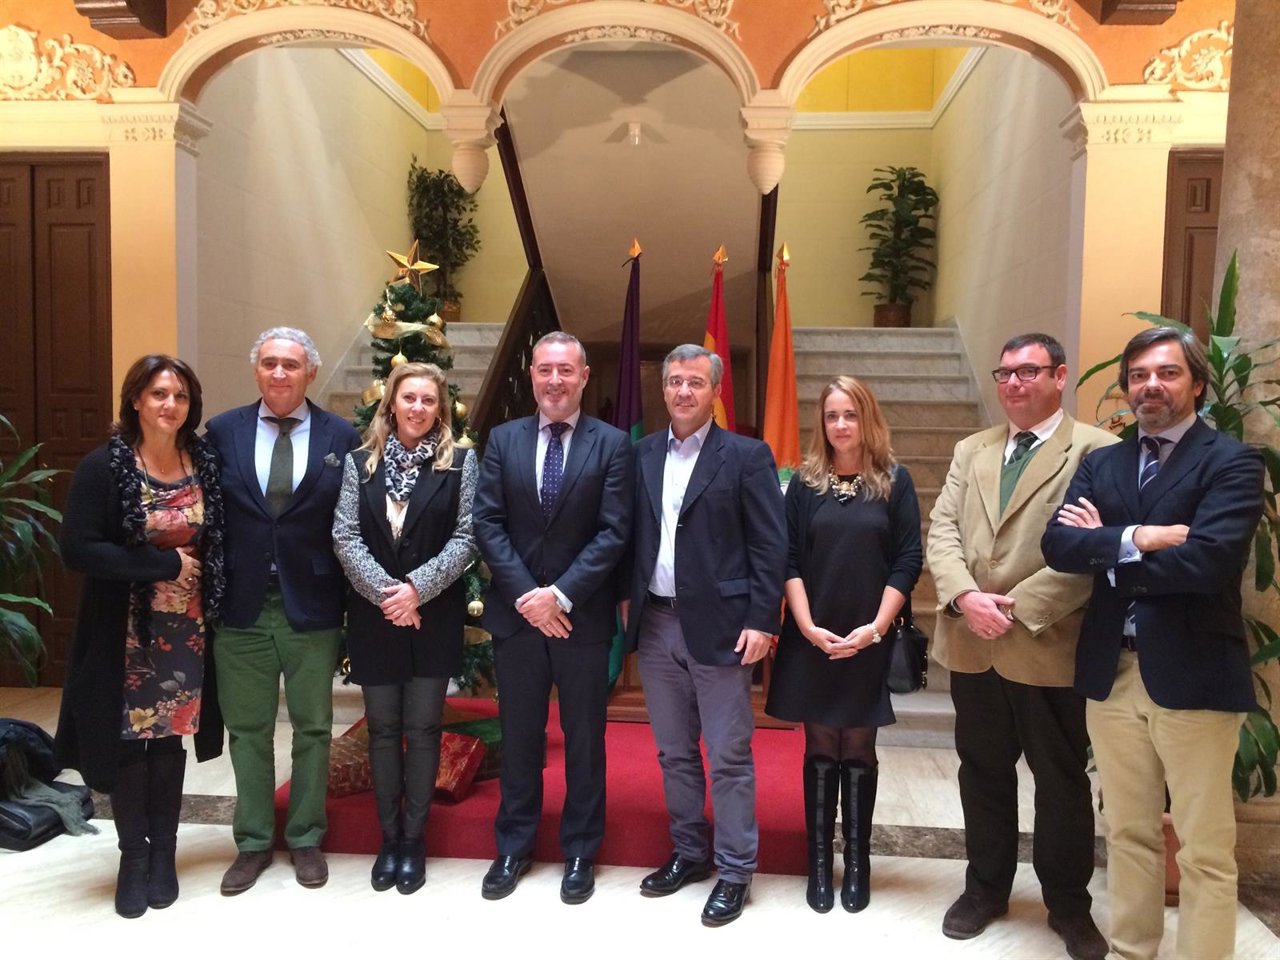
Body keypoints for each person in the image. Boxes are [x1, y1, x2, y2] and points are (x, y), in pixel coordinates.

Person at [1043, 326, 1264, 960]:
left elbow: (1210, 564)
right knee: (1129, 832)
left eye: (1166, 373)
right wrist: (1141, 537)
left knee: (1203, 846)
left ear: (1196, 382)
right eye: (1139, 375)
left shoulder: (1231, 462)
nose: (1151, 386)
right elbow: (1058, 547)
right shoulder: (1103, 461)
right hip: (1112, 672)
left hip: (1193, 674)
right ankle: (1133, 951)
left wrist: (1106, 546)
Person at [927, 333, 1116, 959]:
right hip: (972, 642)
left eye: (1028, 371)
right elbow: (943, 531)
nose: (1012, 383)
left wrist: (1015, 608)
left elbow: (1094, 547)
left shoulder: (1097, 449)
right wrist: (963, 598)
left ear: (1059, 376)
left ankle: (1068, 904)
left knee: (1059, 780)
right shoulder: (971, 449)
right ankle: (985, 888)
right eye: (1004, 372)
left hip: (1046, 643)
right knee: (981, 772)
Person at [55, 354, 225, 919]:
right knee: (131, 742)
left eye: (179, 396)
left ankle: (165, 856)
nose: (169, 405)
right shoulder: (105, 467)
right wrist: (161, 567)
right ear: (135, 400)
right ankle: (133, 858)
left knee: (169, 742)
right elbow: (77, 548)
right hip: (124, 632)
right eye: (158, 394)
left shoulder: (202, 462)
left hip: (188, 633)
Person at [625, 343, 786, 927]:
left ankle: (737, 869)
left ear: (715, 390)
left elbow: (771, 545)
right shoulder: (641, 454)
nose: (683, 392)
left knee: (728, 754)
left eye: (694, 381)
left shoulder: (746, 456)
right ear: (663, 389)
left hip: (723, 629)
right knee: (673, 753)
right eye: (673, 382)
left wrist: (764, 620)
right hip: (657, 623)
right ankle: (690, 854)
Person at [472, 331, 632, 904]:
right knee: (519, 739)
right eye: (545, 370)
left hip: (581, 620)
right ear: (533, 375)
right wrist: (529, 597)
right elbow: (487, 523)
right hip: (518, 620)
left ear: (584, 376)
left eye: (566, 370)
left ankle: (581, 850)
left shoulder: (612, 444)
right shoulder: (503, 438)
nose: (555, 380)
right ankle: (514, 845)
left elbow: (615, 531)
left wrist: (559, 596)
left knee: (585, 740)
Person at [205, 327, 360, 894]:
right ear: (256, 371)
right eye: (269, 363)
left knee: (314, 727)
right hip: (242, 606)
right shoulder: (222, 432)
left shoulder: (342, 435)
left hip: (312, 604)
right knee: (246, 730)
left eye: (290, 365)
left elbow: (351, 524)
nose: (279, 373)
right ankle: (250, 842)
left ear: (310, 372)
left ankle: (304, 837)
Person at [765, 376, 922, 914]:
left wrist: (876, 630)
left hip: (868, 637)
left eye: (850, 415)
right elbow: (785, 560)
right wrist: (805, 626)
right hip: (813, 635)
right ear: (822, 422)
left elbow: (907, 561)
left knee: (858, 749)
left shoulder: (893, 482)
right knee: (818, 749)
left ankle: (857, 863)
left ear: (867, 418)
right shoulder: (805, 484)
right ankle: (818, 863)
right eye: (831, 416)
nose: (840, 425)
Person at [332, 362, 477, 894]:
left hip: (432, 616)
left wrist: (416, 589)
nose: (418, 408)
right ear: (390, 402)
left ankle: (414, 841)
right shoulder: (358, 464)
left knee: (422, 730)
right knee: (384, 729)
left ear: (441, 409)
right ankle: (387, 837)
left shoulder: (461, 463)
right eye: (408, 398)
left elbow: (466, 538)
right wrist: (389, 596)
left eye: (429, 400)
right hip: (375, 619)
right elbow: (345, 537)